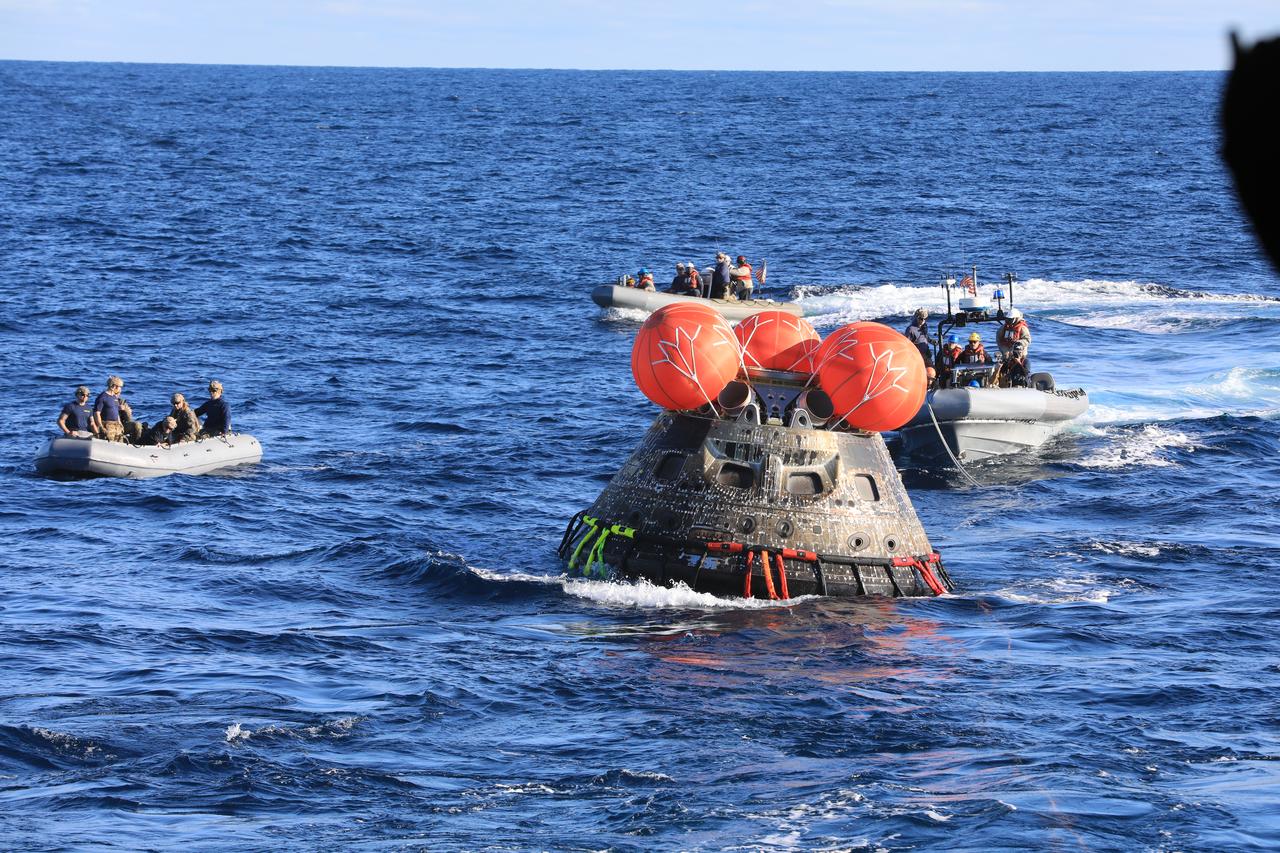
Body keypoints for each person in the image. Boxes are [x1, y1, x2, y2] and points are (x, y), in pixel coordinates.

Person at [92, 375, 126, 442]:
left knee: (120, 442)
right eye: (119, 387)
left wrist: (120, 423)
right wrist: (101, 427)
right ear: (114, 386)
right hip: (107, 425)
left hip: (116, 425)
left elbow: (116, 412)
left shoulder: (114, 397)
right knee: (109, 443)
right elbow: (97, 413)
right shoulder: (102, 397)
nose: (120, 389)